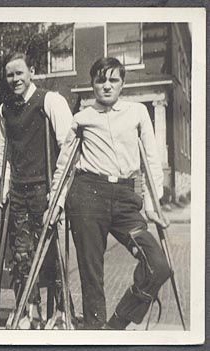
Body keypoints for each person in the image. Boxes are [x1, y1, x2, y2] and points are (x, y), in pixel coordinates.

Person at [48, 57, 171, 330]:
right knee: (92, 275)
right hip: (87, 195)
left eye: (113, 80)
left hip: (126, 198)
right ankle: (96, 333)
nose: (106, 86)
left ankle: (115, 325)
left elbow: (151, 160)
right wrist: (54, 204)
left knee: (158, 265)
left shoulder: (138, 112)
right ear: (92, 84)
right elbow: (63, 165)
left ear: (122, 83)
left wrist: (152, 204)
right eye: (100, 80)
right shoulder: (81, 119)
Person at [0, 51, 73, 328]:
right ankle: (31, 310)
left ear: (31, 71)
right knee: (21, 253)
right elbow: (2, 148)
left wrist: (59, 191)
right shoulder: (6, 109)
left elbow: (68, 145)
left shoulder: (50, 101)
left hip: (45, 189)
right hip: (18, 189)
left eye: (19, 73)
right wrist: (3, 185)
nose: (15, 79)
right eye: (10, 74)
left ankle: (63, 312)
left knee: (52, 252)